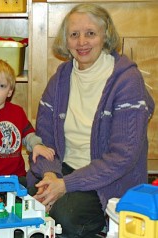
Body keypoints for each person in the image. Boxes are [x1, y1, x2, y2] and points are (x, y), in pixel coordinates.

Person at [26, 3, 155, 237]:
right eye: (74, 34)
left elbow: (123, 156)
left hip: (107, 180)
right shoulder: (60, 79)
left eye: (90, 33)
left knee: (64, 216)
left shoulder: (127, 80)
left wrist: (65, 185)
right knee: (26, 201)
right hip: (64, 168)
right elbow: (44, 141)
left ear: (105, 36)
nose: (81, 42)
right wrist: (49, 175)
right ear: (66, 40)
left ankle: (103, 225)